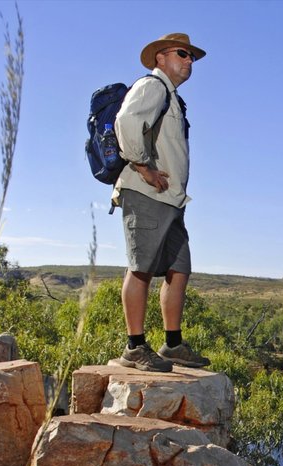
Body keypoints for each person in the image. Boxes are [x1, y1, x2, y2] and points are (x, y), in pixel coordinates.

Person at [111, 33, 209, 372]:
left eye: (192, 57)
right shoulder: (152, 86)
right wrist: (143, 167)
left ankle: (172, 344)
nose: (188, 61)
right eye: (182, 54)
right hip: (146, 193)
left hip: (171, 200)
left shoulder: (171, 96)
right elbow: (125, 123)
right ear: (160, 58)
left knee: (178, 269)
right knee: (140, 268)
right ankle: (135, 347)